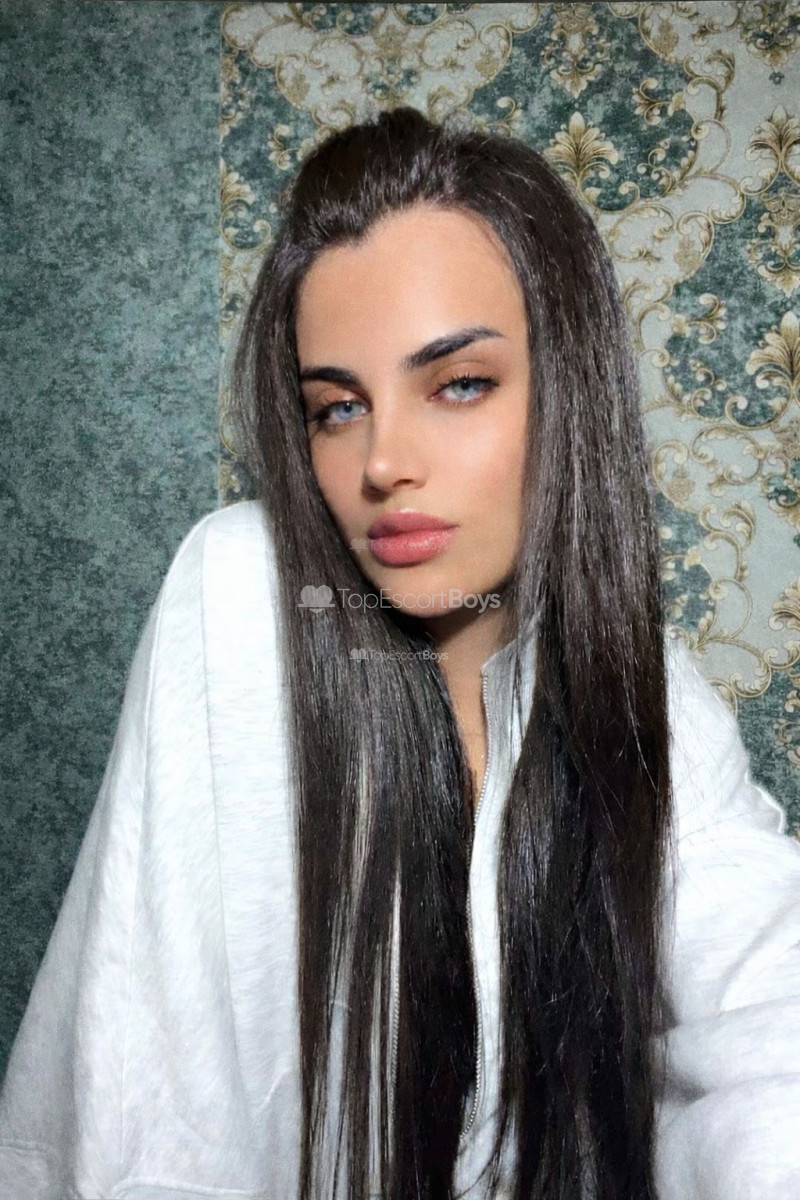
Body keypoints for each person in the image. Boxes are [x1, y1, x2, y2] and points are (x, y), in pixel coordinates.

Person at [1, 105, 799, 1200]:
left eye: (458, 384)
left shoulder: (649, 691)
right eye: (336, 408)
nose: (381, 462)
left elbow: (767, 1018)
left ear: (567, 392)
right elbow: (154, 1118)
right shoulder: (243, 593)